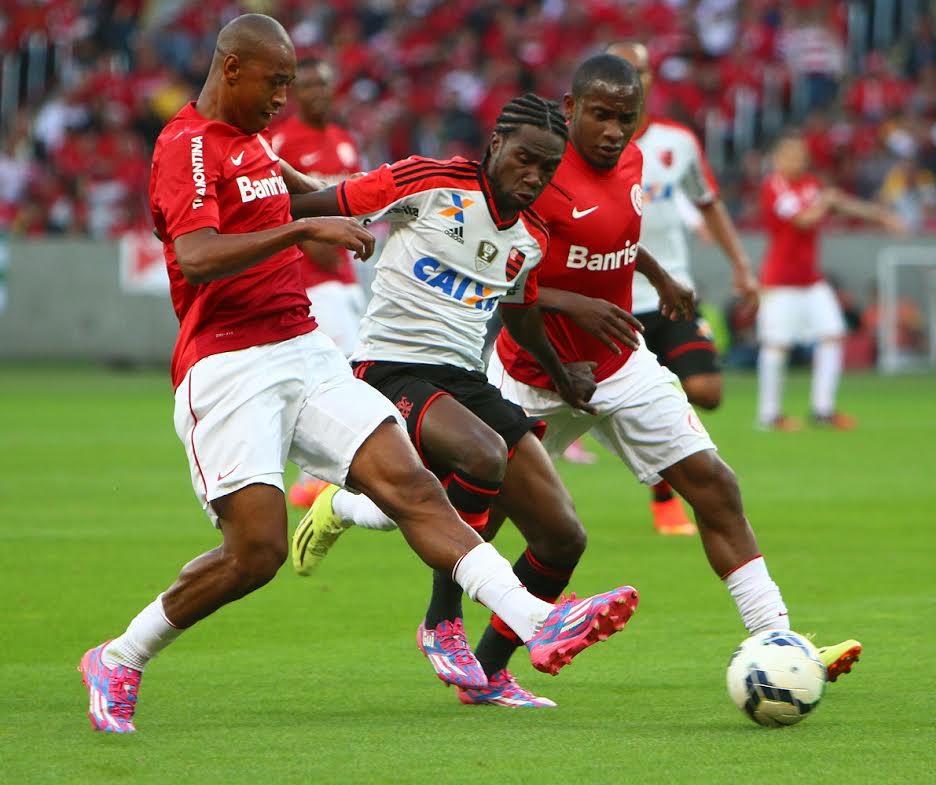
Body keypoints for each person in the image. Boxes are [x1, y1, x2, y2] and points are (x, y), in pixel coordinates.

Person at [77, 15, 638, 734]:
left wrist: (329, 206)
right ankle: (120, 656)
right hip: (227, 361)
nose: (284, 98)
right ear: (231, 68)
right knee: (256, 553)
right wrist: (305, 227)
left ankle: (536, 620)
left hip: (304, 346)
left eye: (289, 84)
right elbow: (196, 256)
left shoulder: (254, 143)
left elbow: (305, 191)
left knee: (415, 487)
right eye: (276, 82)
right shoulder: (186, 144)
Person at [486, 54, 861, 684]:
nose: (614, 132)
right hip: (535, 375)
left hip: (620, 362)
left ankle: (778, 640)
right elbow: (503, 280)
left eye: (626, 118)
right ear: (571, 109)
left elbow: (617, 235)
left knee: (714, 485)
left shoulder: (634, 161)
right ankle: (351, 505)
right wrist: (572, 314)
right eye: (601, 116)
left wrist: (659, 276)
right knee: (471, 515)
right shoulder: (537, 174)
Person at [289, 94, 607, 708]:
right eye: (524, 159)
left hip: (464, 380)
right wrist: (255, 208)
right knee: (482, 457)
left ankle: (487, 674)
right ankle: (442, 620)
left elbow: (521, 310)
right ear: (495, 145)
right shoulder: (431, 182)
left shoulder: (532, 236)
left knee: (562, 538)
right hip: (389, 368)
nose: (534, 176)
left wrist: (562, 376)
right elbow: (324, 202)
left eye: (547, 167)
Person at [604, 41, 758, 537]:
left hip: (673, 291)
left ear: (651, 79)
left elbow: (708, 202)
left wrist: (741, 266)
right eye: (624, 69)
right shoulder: (588, 144)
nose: (635, 78)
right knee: (621, 404)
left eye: (642, 70)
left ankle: (668, 472)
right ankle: (664, 494)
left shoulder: (678, 141)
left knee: (705, 390)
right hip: (612, 300)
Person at [756, 130, 906, 431]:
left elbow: (839, 202)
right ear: (778, 159)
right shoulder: (774, 186)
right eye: (790, 155)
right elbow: (803, 220)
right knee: (776, 345)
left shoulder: (810, 184)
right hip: (780, 282)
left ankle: (822, 409)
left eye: (801, 155)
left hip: (811, 280)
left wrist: (879, 216)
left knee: (833, 335)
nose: (797, 160)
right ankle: (769, 415)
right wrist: (826, 201)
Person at [269, 58, 367, 507]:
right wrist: (312, 240)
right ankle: (316, 478)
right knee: (342, 372)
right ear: (294, 94)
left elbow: (355, 200)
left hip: (345, 275)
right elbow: (274, 205)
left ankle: (316, 476)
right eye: (306, 86)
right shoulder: (283, 141)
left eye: (322, 84)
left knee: (344, 372)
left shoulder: (344, 141)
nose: (316, 93)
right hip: (308, 278)